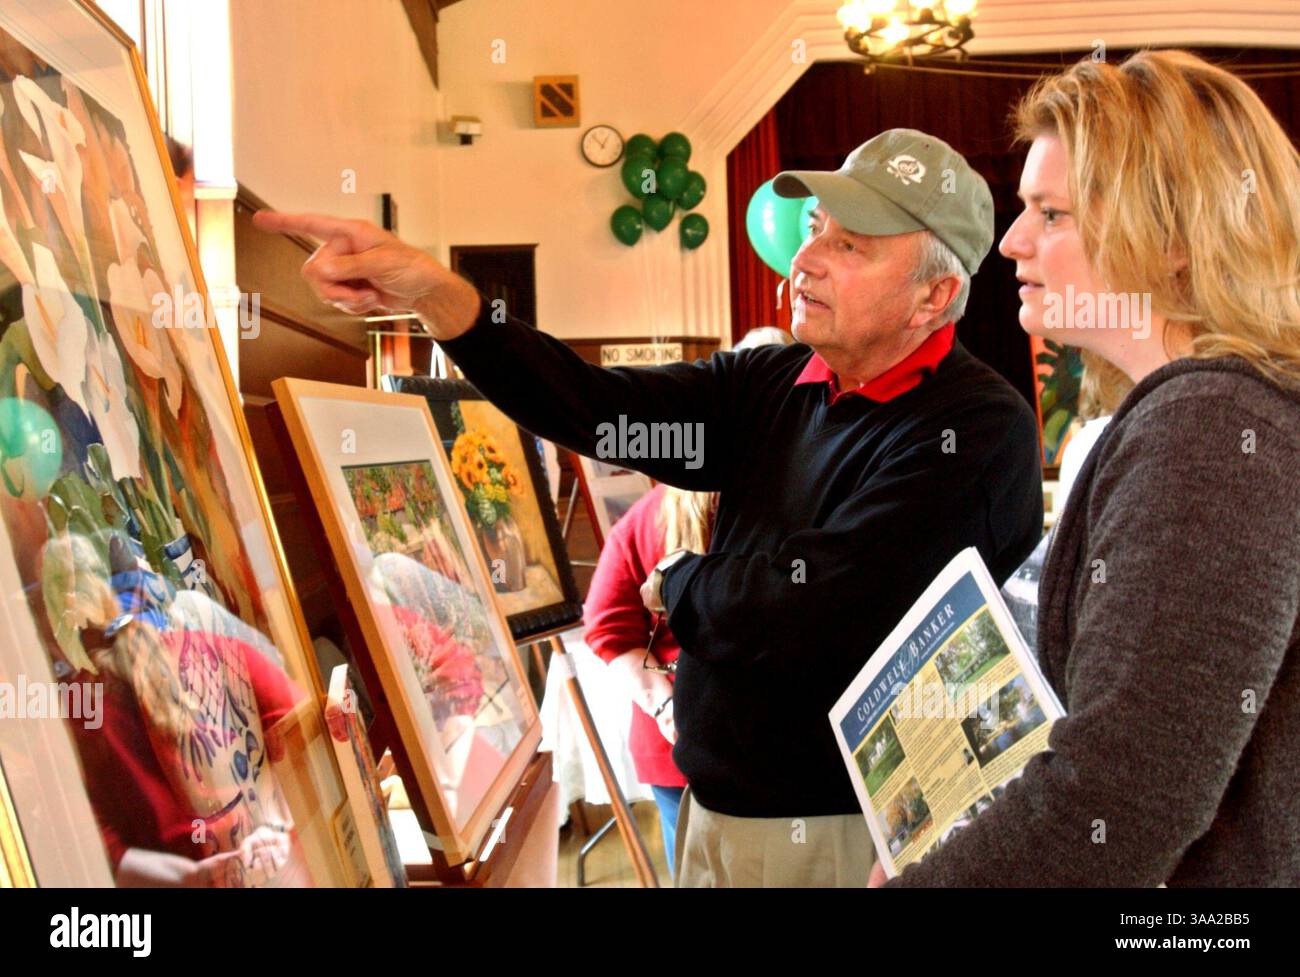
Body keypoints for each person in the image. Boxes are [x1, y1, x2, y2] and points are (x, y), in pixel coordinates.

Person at [255, 127, 1044, 887]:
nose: (804, 261)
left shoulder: (973, 427)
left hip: (838, 831)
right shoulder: (771, 381)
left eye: (849, 246)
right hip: (713, 812)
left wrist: (679, 583)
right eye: (814, 228)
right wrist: (440, 295)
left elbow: (808, 613)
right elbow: (593, 406)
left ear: (933, 295)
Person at [876, 49, 1300, 887]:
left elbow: (1119, 800)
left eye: (1052, 213)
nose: (1011, 240)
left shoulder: (1211, 427)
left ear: (1173, 238)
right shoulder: (1185, 414)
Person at [584, 327, 794, 879]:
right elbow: (607, 627)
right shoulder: (657, 515)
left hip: (729, 747)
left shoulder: (653, 510)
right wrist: (667, 708)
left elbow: (607, 629)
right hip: (713, 748)